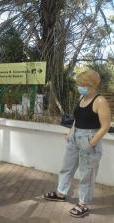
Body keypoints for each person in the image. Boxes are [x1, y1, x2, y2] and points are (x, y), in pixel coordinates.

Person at [43, 70, 111, 218]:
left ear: (91, 84)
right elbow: (77, 118)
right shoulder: (82, 98)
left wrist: (92, 143)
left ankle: (83, 203)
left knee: (87, 173)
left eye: (81, 84)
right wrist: (71, 132)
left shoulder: (100, 101)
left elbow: (105, 125)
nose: (79, 86)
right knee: (67, 167)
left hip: (89, 139)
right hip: (75, 138)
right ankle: (61, 193)